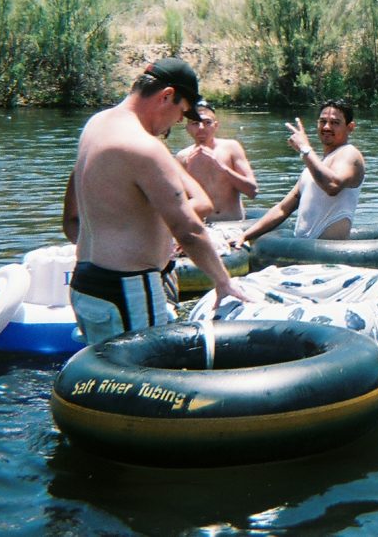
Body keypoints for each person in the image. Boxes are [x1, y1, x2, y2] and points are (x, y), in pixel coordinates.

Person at [62, 57, 249, 344]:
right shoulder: (145, 147)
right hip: (127, 289)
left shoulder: (96, 124)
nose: (176, 124)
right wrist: (223, 282)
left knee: (109, 380)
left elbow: (71, 215)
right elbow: (188, 229)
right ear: (167, 96)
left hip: (86, 282)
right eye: (181, 113)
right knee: (146, 377)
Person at [233, 99, 366, 245]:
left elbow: (333, 185)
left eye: (335, 122)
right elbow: (282, 209)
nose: (327, 127)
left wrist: (304, 148)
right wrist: (244, 236)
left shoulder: (350, 154)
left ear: (350, 127)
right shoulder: (313, 168)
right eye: (322, 121)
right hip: (303, 252)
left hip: (331, 256)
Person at [175, 100, 258, 222]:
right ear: (187, 128)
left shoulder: (231, 148)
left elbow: (253, 191)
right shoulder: (182, 157)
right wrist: (188, 172)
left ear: (216, 125)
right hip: (202, 226)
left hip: (233, 224)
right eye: (195, 123)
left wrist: (222, 167)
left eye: (207, 122)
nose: (201, 128)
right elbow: (177, 202)